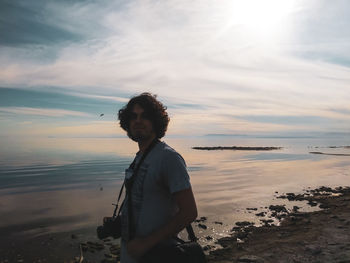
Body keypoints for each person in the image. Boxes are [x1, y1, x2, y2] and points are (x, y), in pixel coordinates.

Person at [117, 92, 198, 263]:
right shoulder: (140, 157)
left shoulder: (168, 158)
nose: (138, 120)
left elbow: (189, 212)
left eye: (145, 115)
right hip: (131, 253)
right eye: (133, 116)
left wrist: (145, 243)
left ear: (155, 121)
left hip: (157, 254)